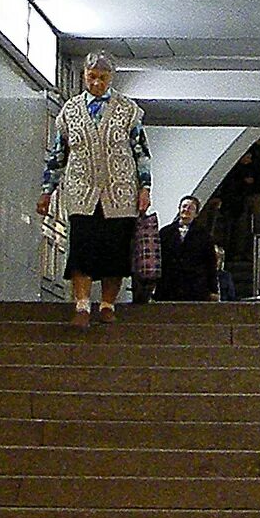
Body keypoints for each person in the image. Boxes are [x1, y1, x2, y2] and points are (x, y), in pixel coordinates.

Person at [38, 52, 149, 326]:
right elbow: (58, 155)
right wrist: (47, 190)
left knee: (115, 249)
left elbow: (141, 153)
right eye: (92, 77)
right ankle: (82, 305)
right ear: (84, 76)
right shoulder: (70, 112)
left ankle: (108, 304)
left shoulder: (128, 110)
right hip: (81, 190)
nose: (97, 83)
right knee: (82, 247)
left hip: (120, 192)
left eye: (102, 77)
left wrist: (144, 187)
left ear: (111, 78)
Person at [157, 193, 221, 302]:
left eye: (191, 208)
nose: (186, 210)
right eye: (184, 206)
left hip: (195, 288)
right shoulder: (165, 232)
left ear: (196, 214)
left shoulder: (204, 236)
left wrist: (213, 290)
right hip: (169, 287)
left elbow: (210, 264)